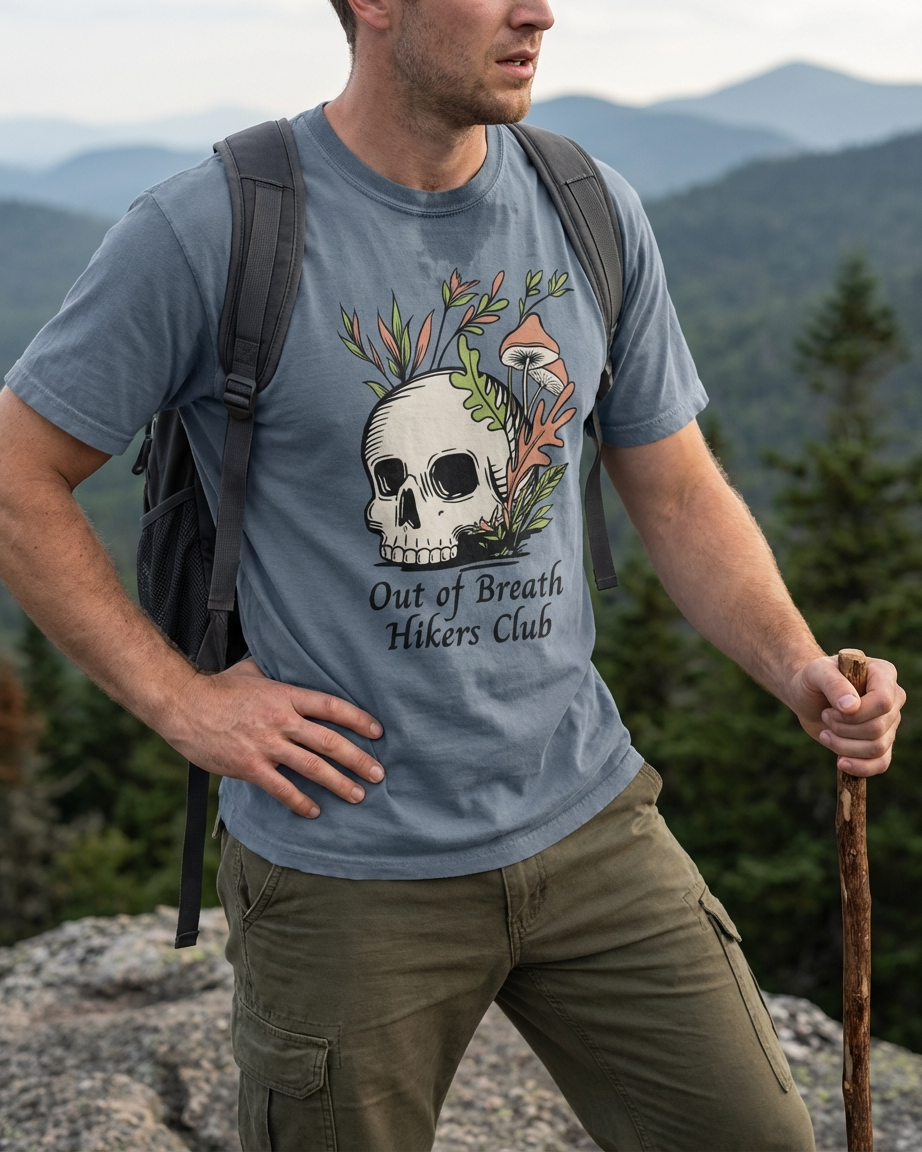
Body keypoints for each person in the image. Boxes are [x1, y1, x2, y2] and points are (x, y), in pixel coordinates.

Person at [0, 1, 905, 1149]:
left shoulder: (587, 209)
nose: (540, 10)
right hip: (342, 872)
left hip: (587, 821)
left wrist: (799, 670)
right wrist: (183, 703)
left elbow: (673, 491)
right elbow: (17, 473)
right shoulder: (214, 227)